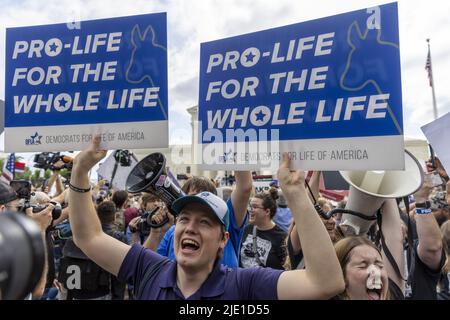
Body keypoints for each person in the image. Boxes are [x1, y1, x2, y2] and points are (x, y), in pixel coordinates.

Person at [67, 136, 344, 299]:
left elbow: (326, 283)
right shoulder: (148, 268)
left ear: (223, 240)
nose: (189, 228)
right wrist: (80, 172)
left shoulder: (244, 286)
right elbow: (88, 236)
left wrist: (295, 192)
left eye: (204, 222)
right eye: (184, 219)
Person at [154, 171, 252, 269]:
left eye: (206, 198)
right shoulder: (172, 232)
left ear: (224, 238)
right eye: (193, 197)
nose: (190, 229)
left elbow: (244, 188)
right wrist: (156, 234)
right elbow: (150, 268)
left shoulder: (225, 221)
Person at [240, 191, 287, 269]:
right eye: (250, 206)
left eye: (254, 207)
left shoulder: (282, 238)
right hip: (244, 280)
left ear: (267, 211)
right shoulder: (246, 229)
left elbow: (285, 268)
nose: (250, 210)